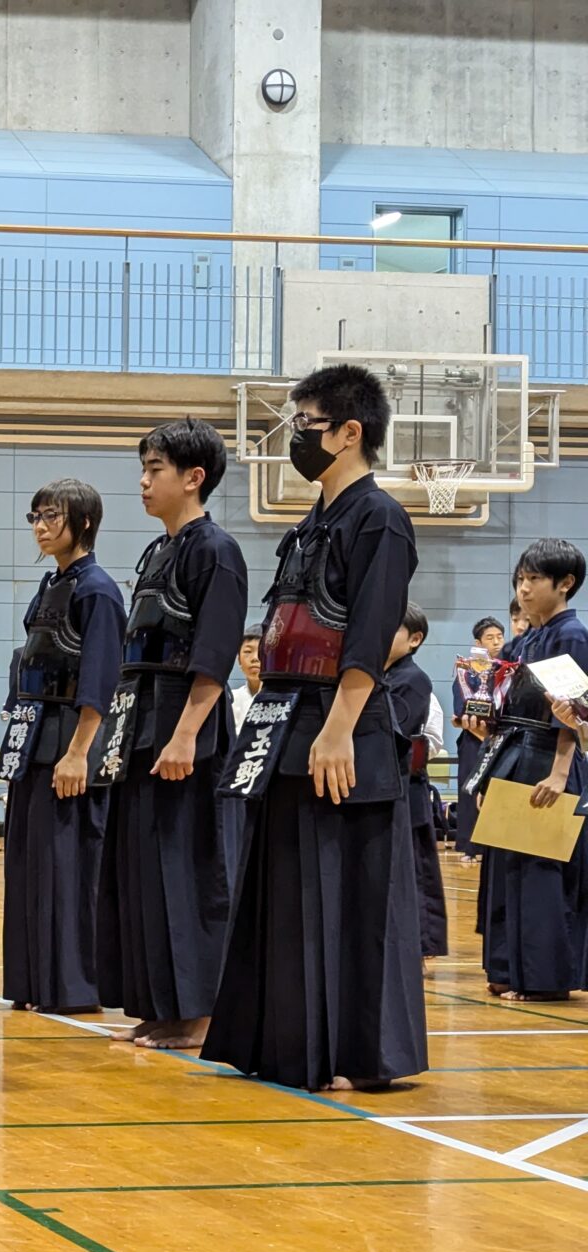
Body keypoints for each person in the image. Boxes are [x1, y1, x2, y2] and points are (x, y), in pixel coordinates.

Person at [202, 363, 428, 1091]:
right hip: (285, 725)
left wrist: (337, 730)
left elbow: (367, 633)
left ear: (350, 433)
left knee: (344, 899)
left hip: (340, 732)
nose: (296, 439)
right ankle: (285, 1043)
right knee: (282, 895)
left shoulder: (380, 519)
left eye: (307, 426)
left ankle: (348, 1053)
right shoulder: (310, 524)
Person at [97, 419, 247, 1051]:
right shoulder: (157, 552)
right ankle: (161, 1004)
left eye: (155, 468)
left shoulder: (216, 550)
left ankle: (200, 1013)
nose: (143, 480)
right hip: (140, 724)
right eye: (143, 467)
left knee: (187, 870)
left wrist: (185, 734)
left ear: (193, 477)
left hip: (187, 728)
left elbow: (213, 655)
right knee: (142, 872)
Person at [1, 479, 127, 1014]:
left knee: (69, 866)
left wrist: (79, 752)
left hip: (70, 743)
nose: (41, 527)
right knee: (29, 864)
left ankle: (74, 986)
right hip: (31, 740)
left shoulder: (97, 589)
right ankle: (34, 982)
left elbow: (100, 679)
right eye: (36, 517)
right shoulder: (50, 585)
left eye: (52, 517)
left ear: (85, 524)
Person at [474, 540, 588, 1003]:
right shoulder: (525, 640)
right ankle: (506, 969)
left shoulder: (571, 636)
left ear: (565, 584)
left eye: (534, 579)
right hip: (514, 755)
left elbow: (575, 713)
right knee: (507, 869)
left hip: (549, 759)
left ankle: (542, 978)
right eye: (520, 579)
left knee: (541, 872)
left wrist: (561, 773)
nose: (524, 588)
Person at [386, 603, 448, 968]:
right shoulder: (383, 675)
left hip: (408, 789)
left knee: (415, 871)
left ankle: (419, 948)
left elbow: (397, 734)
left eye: (391, 629)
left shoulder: (412, 679)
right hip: (389, 787)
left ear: (415, 639)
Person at [452, 615, 506, 861]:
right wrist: (481, 731)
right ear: (478, 642)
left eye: (499, 637)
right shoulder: (466, 672)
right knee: (470, 791)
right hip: (473, 740)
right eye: (490, 638)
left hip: (500, 740)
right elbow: (461, 709)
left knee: (496, 792)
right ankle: (469, 847)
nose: (496, 642)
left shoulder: (506, 670)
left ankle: (494, 848)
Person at [231, 625, 263, 730]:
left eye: (261, 651)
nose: (255, 658)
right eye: (248, 652)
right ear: (239, 660)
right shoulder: (231, 699)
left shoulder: (282, 701)